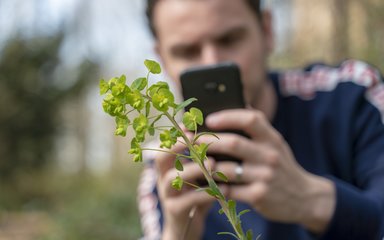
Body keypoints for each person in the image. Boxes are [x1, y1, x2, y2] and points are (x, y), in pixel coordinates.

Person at [137, 0, 384, 239]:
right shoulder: (167, 167)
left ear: (267, 30)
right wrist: (177, 235)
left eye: (229, 39)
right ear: (162, 59)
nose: (212, 62)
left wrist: (311, 199)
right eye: (188, 52)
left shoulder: (351, 98)